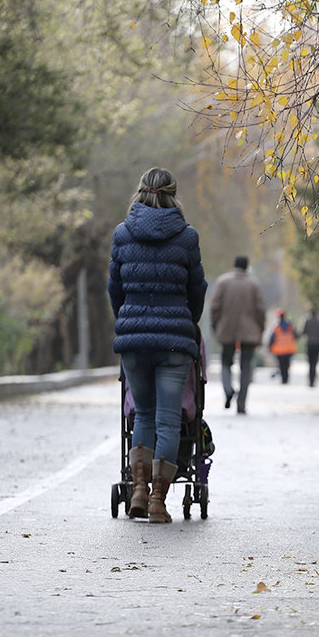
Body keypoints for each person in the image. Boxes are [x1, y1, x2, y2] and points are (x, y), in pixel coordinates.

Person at [108, 167, 207, 523]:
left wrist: (128, 319)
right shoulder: (187, 237)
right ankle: (157, 502)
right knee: (168, 420)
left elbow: (114, 287)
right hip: (174, 342)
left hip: (134, 340)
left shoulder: (122, 234)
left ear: (140, 192)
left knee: (143, 416)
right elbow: (197, 289)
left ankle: (138, 490)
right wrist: (187, 321)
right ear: (173, 194)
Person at [210, 256, 265, 413]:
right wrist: (260, 329)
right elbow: (260, 310)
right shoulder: (254, 284)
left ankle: (228, 390)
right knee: (246, 366)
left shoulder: (222, 282)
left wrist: (216, 326)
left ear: (233, 265)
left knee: (226, 362)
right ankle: (241, 403)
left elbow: (215, 307)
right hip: (249, 331)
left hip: (227, 329)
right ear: (247, 267)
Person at [300, 307, 319, 387]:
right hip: (317, 343)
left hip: (309, 343)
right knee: (315, 362)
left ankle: (311, 380)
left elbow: (303, 331)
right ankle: (313, 380)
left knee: (310, 363)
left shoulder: (306, 320)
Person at [267, 309, 298, 384]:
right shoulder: (290, 326)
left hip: (279, 350)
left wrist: (269, 347)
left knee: (281, 365)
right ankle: (286, 378)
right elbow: (296, 336)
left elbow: (272, 338)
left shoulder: (276, 327)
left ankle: (283, 379)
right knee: (287, 364)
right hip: (289, 349)